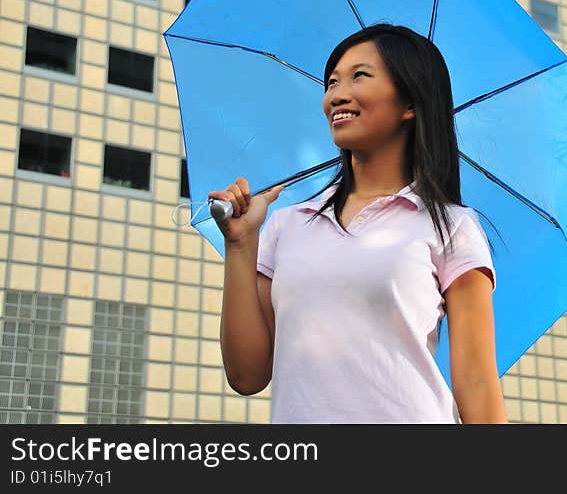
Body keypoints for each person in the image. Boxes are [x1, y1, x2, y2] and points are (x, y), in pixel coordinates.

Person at [208, 24, 507, 424]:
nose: (336, 94)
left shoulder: (451, 226)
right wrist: (241, 246)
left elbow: (477, 384)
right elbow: (246, 375)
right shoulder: (286, 225)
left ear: (410, 103)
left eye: (359, 76)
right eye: (331, 82)